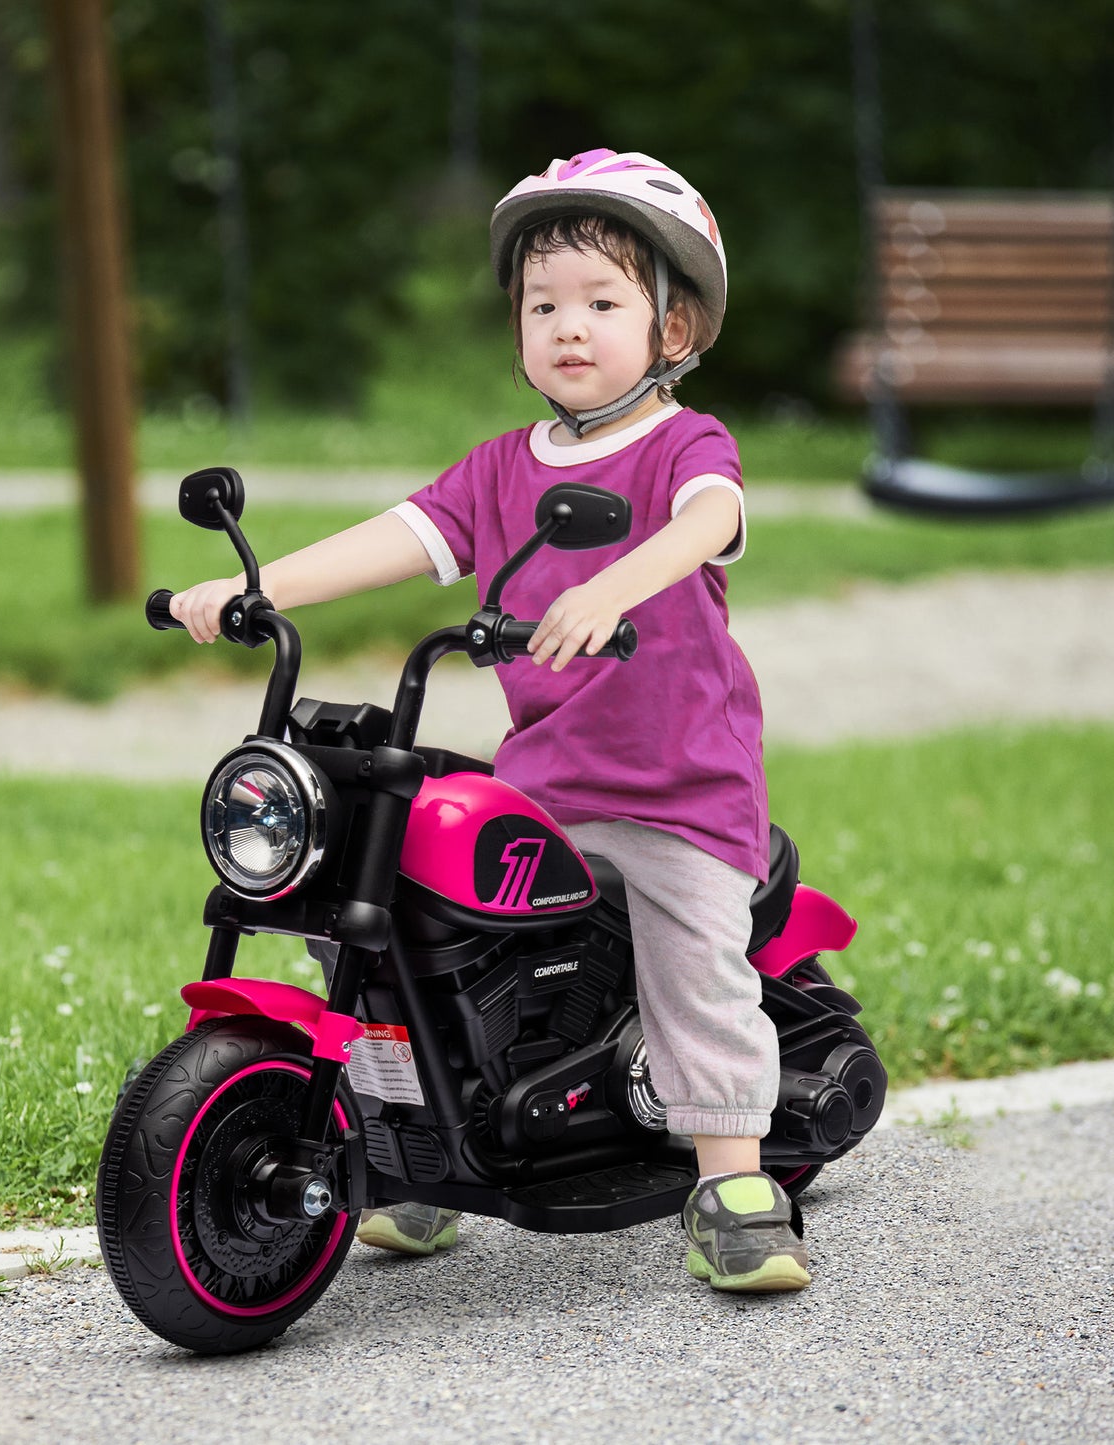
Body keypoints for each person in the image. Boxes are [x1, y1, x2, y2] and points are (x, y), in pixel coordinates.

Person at [169, 148, 810, 1293]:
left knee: (689, 956)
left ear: (672, 327)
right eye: (541, 304)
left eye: (601, 302)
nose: (567, 326)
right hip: (548, 780)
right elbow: (400, 534)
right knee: (401, 918)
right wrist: (255, 587)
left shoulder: (683, 445)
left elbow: (707, 521)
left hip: (678, 787)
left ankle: (732, 1180)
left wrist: (613, 585)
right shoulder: (501, 466)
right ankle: (414, 1152)